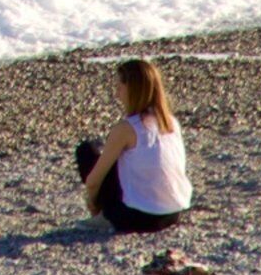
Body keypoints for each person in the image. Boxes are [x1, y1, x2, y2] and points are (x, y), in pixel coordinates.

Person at [74, 57, 194, 235]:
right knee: (121, 155)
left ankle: (104, 217)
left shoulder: (127, 128)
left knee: (87, 150)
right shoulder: (171, 122)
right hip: (173, 212)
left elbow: (93, 182)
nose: (117, 94)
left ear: (132, 89)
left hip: (138, 217)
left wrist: (93, 204)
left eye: (120, 87)